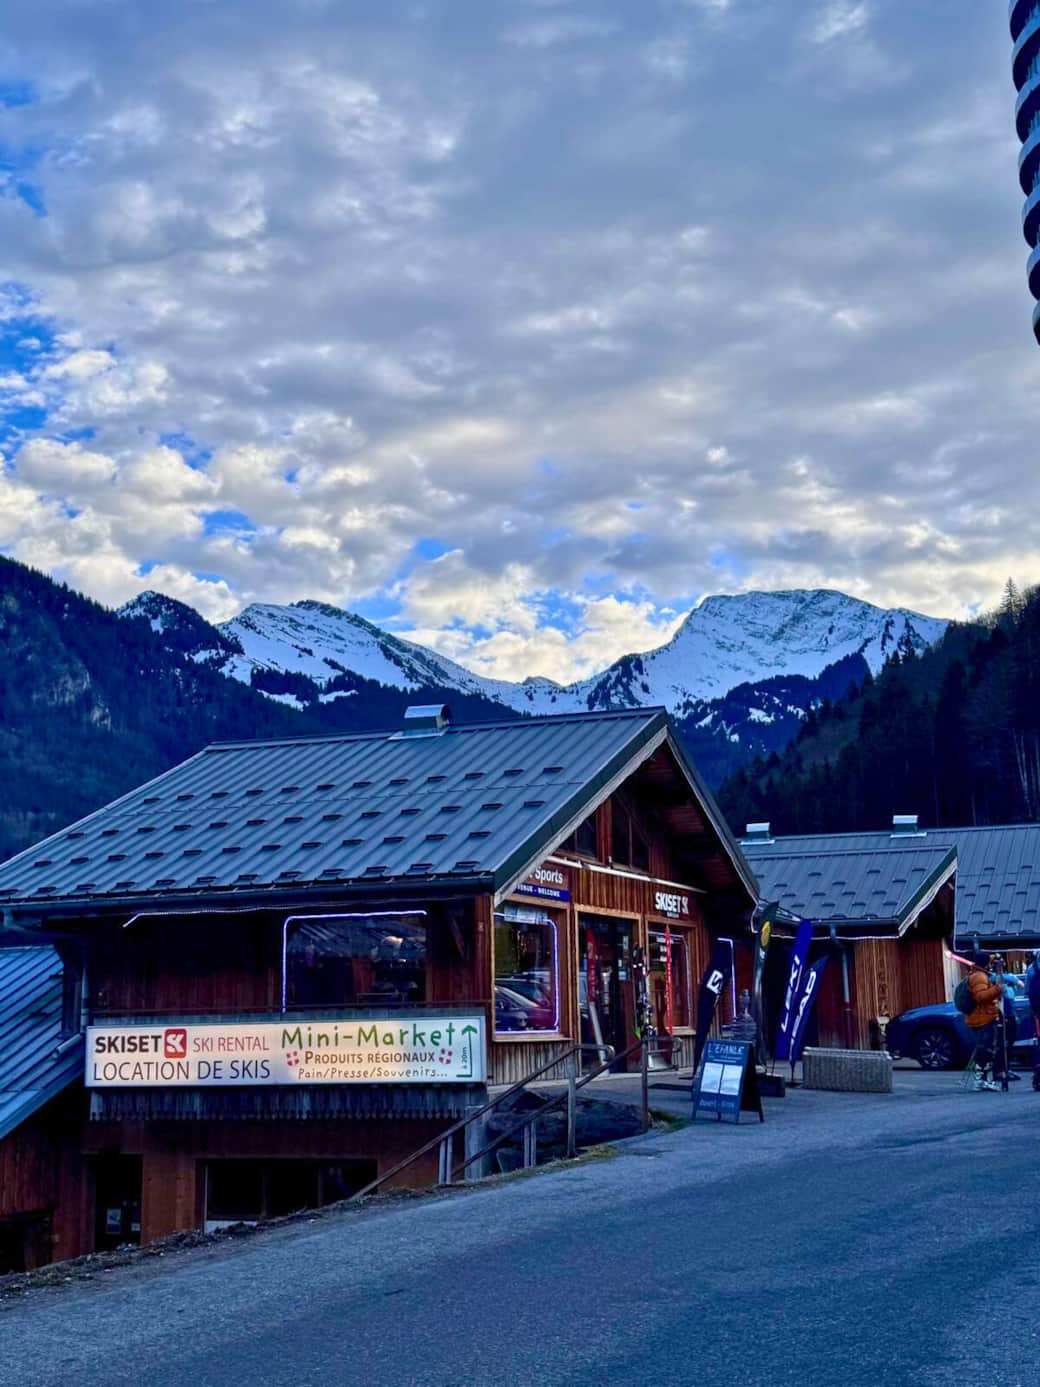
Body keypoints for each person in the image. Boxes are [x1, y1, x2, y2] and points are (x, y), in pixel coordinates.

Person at [965, 954, 1005, 1092]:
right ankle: (980, 1080)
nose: (991, 965)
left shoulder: (979, 975)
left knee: (987, 1048)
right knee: (985, 1049)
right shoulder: (979, 977)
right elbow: (980, 996)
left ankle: (982, 1079)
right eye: (990, 962)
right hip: (983, 1018)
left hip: (984, 1016)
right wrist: (997, 990)